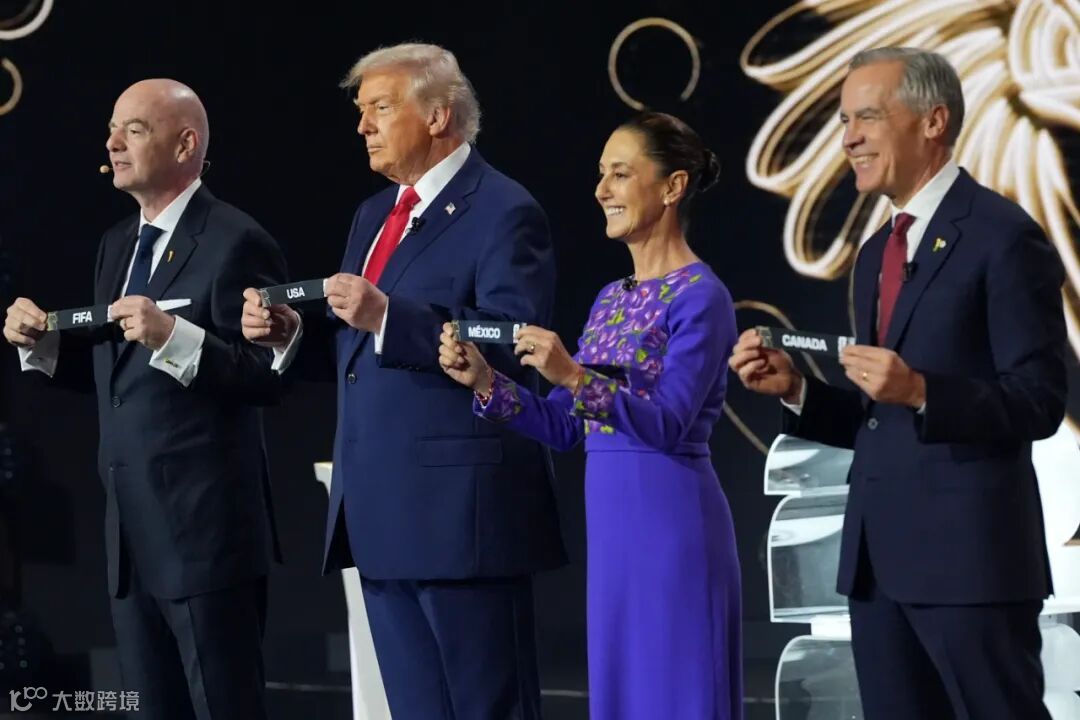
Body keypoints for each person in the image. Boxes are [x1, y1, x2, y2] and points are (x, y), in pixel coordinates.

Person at [731, 47, 1066, 720]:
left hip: (970, 569)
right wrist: (797, 391)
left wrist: (922, 391)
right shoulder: (874, 254)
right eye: (844, 121)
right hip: (879, 569)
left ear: (933, 121)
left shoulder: (1003, 237)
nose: (848, 138)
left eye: (868, 117)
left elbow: (1040, 400)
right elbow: (877, 417)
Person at [241, 43, 564, 719]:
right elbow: (361, 352)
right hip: (381, 514)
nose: (363, 126)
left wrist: (389, 315)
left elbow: (510, 342)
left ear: (438, 115)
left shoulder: (505, 209)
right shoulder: (374, 214)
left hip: (464, 521)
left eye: (381, 108)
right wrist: (289, 335)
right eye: (362, 112)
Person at [439, 111, 742, 720]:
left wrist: (574, 375)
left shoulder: (701, 297)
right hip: (613, 534)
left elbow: (669, 424)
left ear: (673, 186)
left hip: (672, 527)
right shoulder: (610, 299)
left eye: (620, 174)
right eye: (601, 174)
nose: (602, 190)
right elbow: (563, 427)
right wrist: (487, 381)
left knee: (678, 696)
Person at [3, 79, 286, 720]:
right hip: (130, 542)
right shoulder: (116, 245)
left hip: (208, 539)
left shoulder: (236, 239)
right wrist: (41, 345)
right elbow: (120, 378)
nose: (112, 143)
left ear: (185, 145)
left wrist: (173, 336)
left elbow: (268, 375)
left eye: (133, 129)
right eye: (112, 129)